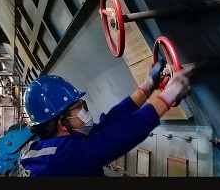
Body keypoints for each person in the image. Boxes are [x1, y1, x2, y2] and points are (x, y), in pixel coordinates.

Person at [17, 61, 195, 177]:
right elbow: (119, 137)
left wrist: (147, 87)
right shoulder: (64, 156)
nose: (84, 110)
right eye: (77, 107)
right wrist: (169, 95)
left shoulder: (52, 146)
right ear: (61, 123)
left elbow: (107, 126)